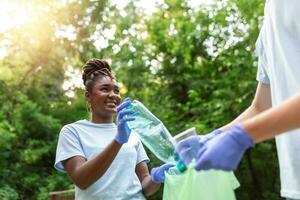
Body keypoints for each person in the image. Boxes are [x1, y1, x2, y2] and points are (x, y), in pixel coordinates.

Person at [176, 0, 300, 199]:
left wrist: (242, 136)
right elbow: (261, 107)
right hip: (294, 186)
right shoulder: (268, 24)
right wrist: (216, 136)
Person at [54, 59, 172, 200]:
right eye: (104, 89)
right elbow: (81, 180)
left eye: (116, 90)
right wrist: (118, 140)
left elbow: (145, 187)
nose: (113, 95)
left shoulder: (131, 132)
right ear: (88, 96)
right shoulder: (73, 131)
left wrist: (155, 178)